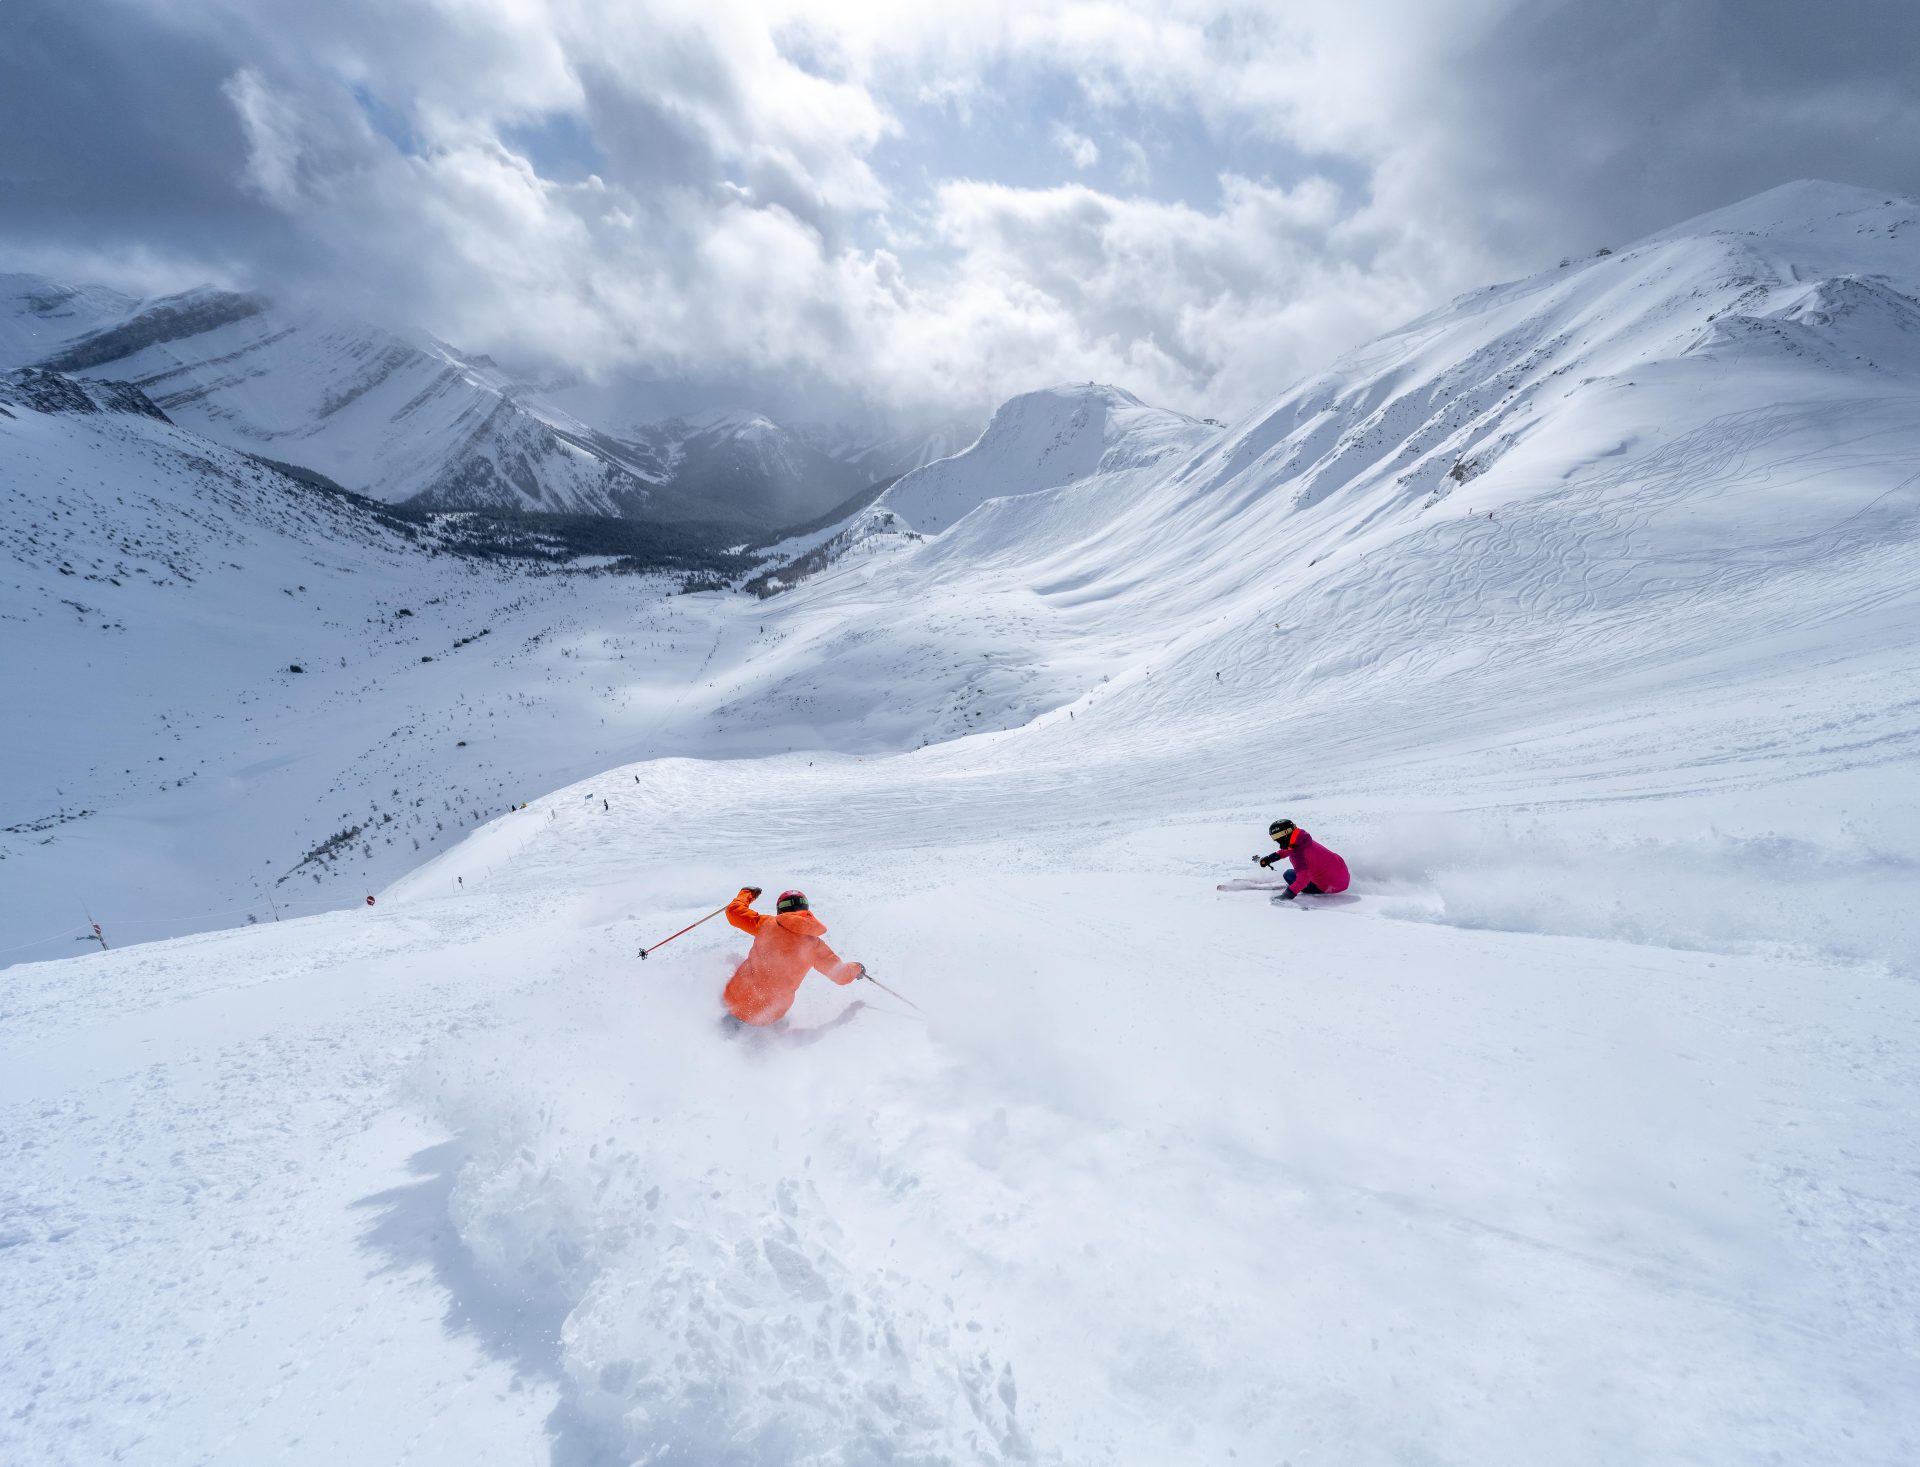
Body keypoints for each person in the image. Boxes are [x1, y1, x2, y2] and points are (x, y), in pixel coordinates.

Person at [719, 887, 865, 1029]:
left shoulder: (766, 924)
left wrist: (747, 893)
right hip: (770, 1016)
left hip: (735, 1001)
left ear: (780, 909)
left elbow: (733, 912)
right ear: (806, 910)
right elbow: (841, 975)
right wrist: (856, 968)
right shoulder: (815, 946)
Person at [1254, 819, 1350, 900]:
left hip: (1329, 887)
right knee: (1301, 870)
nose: (1276, 840)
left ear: (1285, 834)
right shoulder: (1303, 841)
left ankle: (1300, 887)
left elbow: (1304, 879)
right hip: (1343, 878)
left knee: (1288, 874)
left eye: (1276, 837)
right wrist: (1269, 859)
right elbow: (1289, 850)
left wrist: (1287, 895)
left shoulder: (1298, 855)